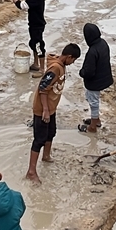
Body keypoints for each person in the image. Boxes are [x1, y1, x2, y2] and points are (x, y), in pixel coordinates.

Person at [26, 44, 81, 183]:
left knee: (51, 133)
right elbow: (43, 88)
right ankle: (31, 171)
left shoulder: (61, 65)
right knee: (39, 139)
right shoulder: (55, 68)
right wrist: (44, 110)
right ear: (68, 57)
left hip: (51, 108)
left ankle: (46, 156)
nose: (72, 63)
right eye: (73, 60)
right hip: (43, 109)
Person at [78, 24, 113, 134]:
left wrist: (81, 72)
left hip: (95, 82)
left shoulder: (92, 51)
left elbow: (89, 71)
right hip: (104, 77)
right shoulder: (103, 43)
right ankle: (96, 120)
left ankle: (92, 127)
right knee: (93, 98)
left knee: (93, 102)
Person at [13, 0, 48, 73]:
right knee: (33, 43)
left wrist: (16, 1)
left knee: (38, 45)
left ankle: (42, 69)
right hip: (34, 25)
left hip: (37, 25)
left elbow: (23, 6)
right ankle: (36, 64)